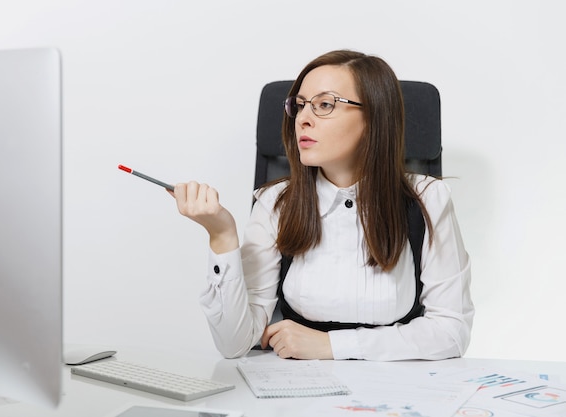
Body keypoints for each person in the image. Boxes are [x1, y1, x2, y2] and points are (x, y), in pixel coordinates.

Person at [169, 50, 474, 361]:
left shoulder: (428, 199)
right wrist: (222, 236)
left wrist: (332, 346)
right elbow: (234, 344)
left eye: (324, 105)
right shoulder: (276, 204)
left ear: (374, 118)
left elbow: (451, 330)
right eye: (300, 105)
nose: (303, 118)